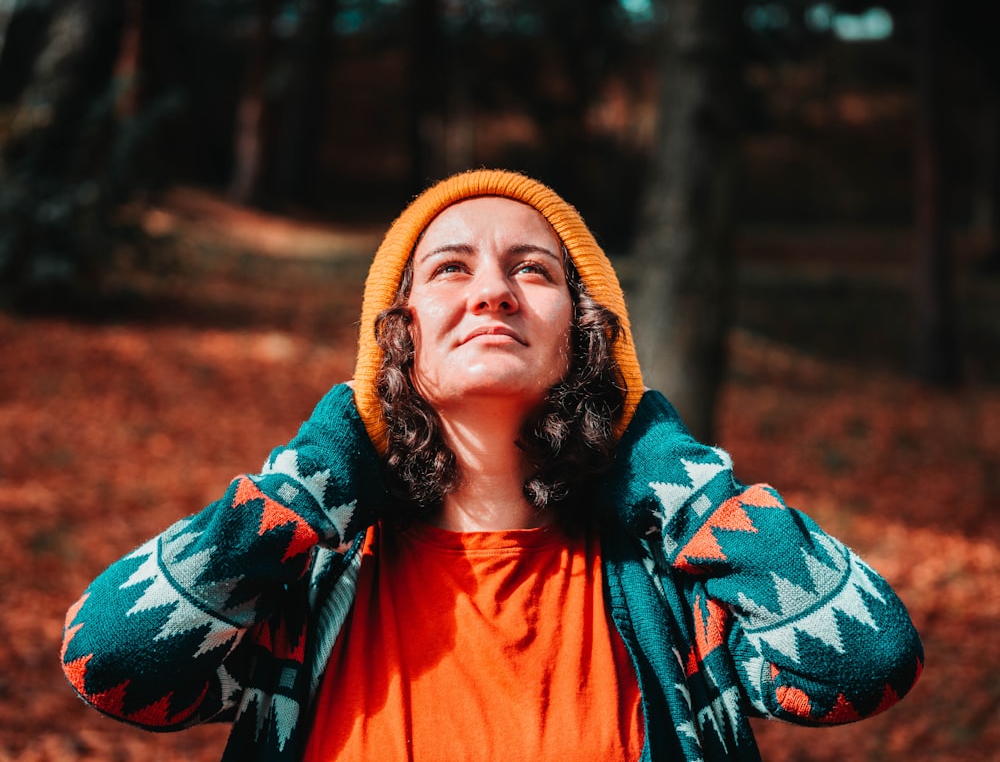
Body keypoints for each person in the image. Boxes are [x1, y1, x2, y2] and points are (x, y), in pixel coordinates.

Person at [61, 169, 923, 761]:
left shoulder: (672, 596)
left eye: (532, 270)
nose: (492, 291)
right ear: (395, 336)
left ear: (583, 334)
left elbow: (866, 660)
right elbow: (114, 660)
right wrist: (323, 468)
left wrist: (659, 461)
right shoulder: (307, 586)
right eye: (449, 268)